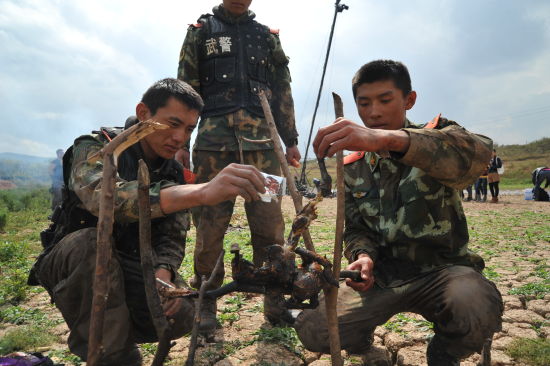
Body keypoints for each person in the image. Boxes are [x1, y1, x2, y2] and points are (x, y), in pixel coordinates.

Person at [28, 79, 269, 365]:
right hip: (75, 262)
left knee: (182, 309)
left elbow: (172, 235)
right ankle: (115, 356)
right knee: (90, 244)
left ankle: (117, 332)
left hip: (130, 264)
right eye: (173, 123)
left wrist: (164, 273)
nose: (180, 137)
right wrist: (201, 192)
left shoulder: (174, 172)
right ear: (143, 113)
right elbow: (105, 200)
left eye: (189, 129)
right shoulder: (98, 147)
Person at [293, 60, 503, 365]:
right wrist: (363, 256)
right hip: (383, 277)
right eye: (364, 103)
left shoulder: (437, 137)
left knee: (474, 305)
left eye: (385, 100)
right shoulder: (353, 166)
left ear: (409, 100)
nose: (374, 112)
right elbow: (356, 227)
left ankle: (444, 353)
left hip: (441, 271)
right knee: (316, 329)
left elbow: (478, 153)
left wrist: (389, 140)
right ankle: (361, 339)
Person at [177, 0, 301, 333]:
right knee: (209, 230)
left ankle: (275, 302)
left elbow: (282, 90)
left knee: (271, 229)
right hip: (211, 150)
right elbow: (186, 90)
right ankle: (206, 301)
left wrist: (289, 140)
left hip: (264, 149)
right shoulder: (200, 33)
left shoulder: (267, 37)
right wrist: (181, 142)